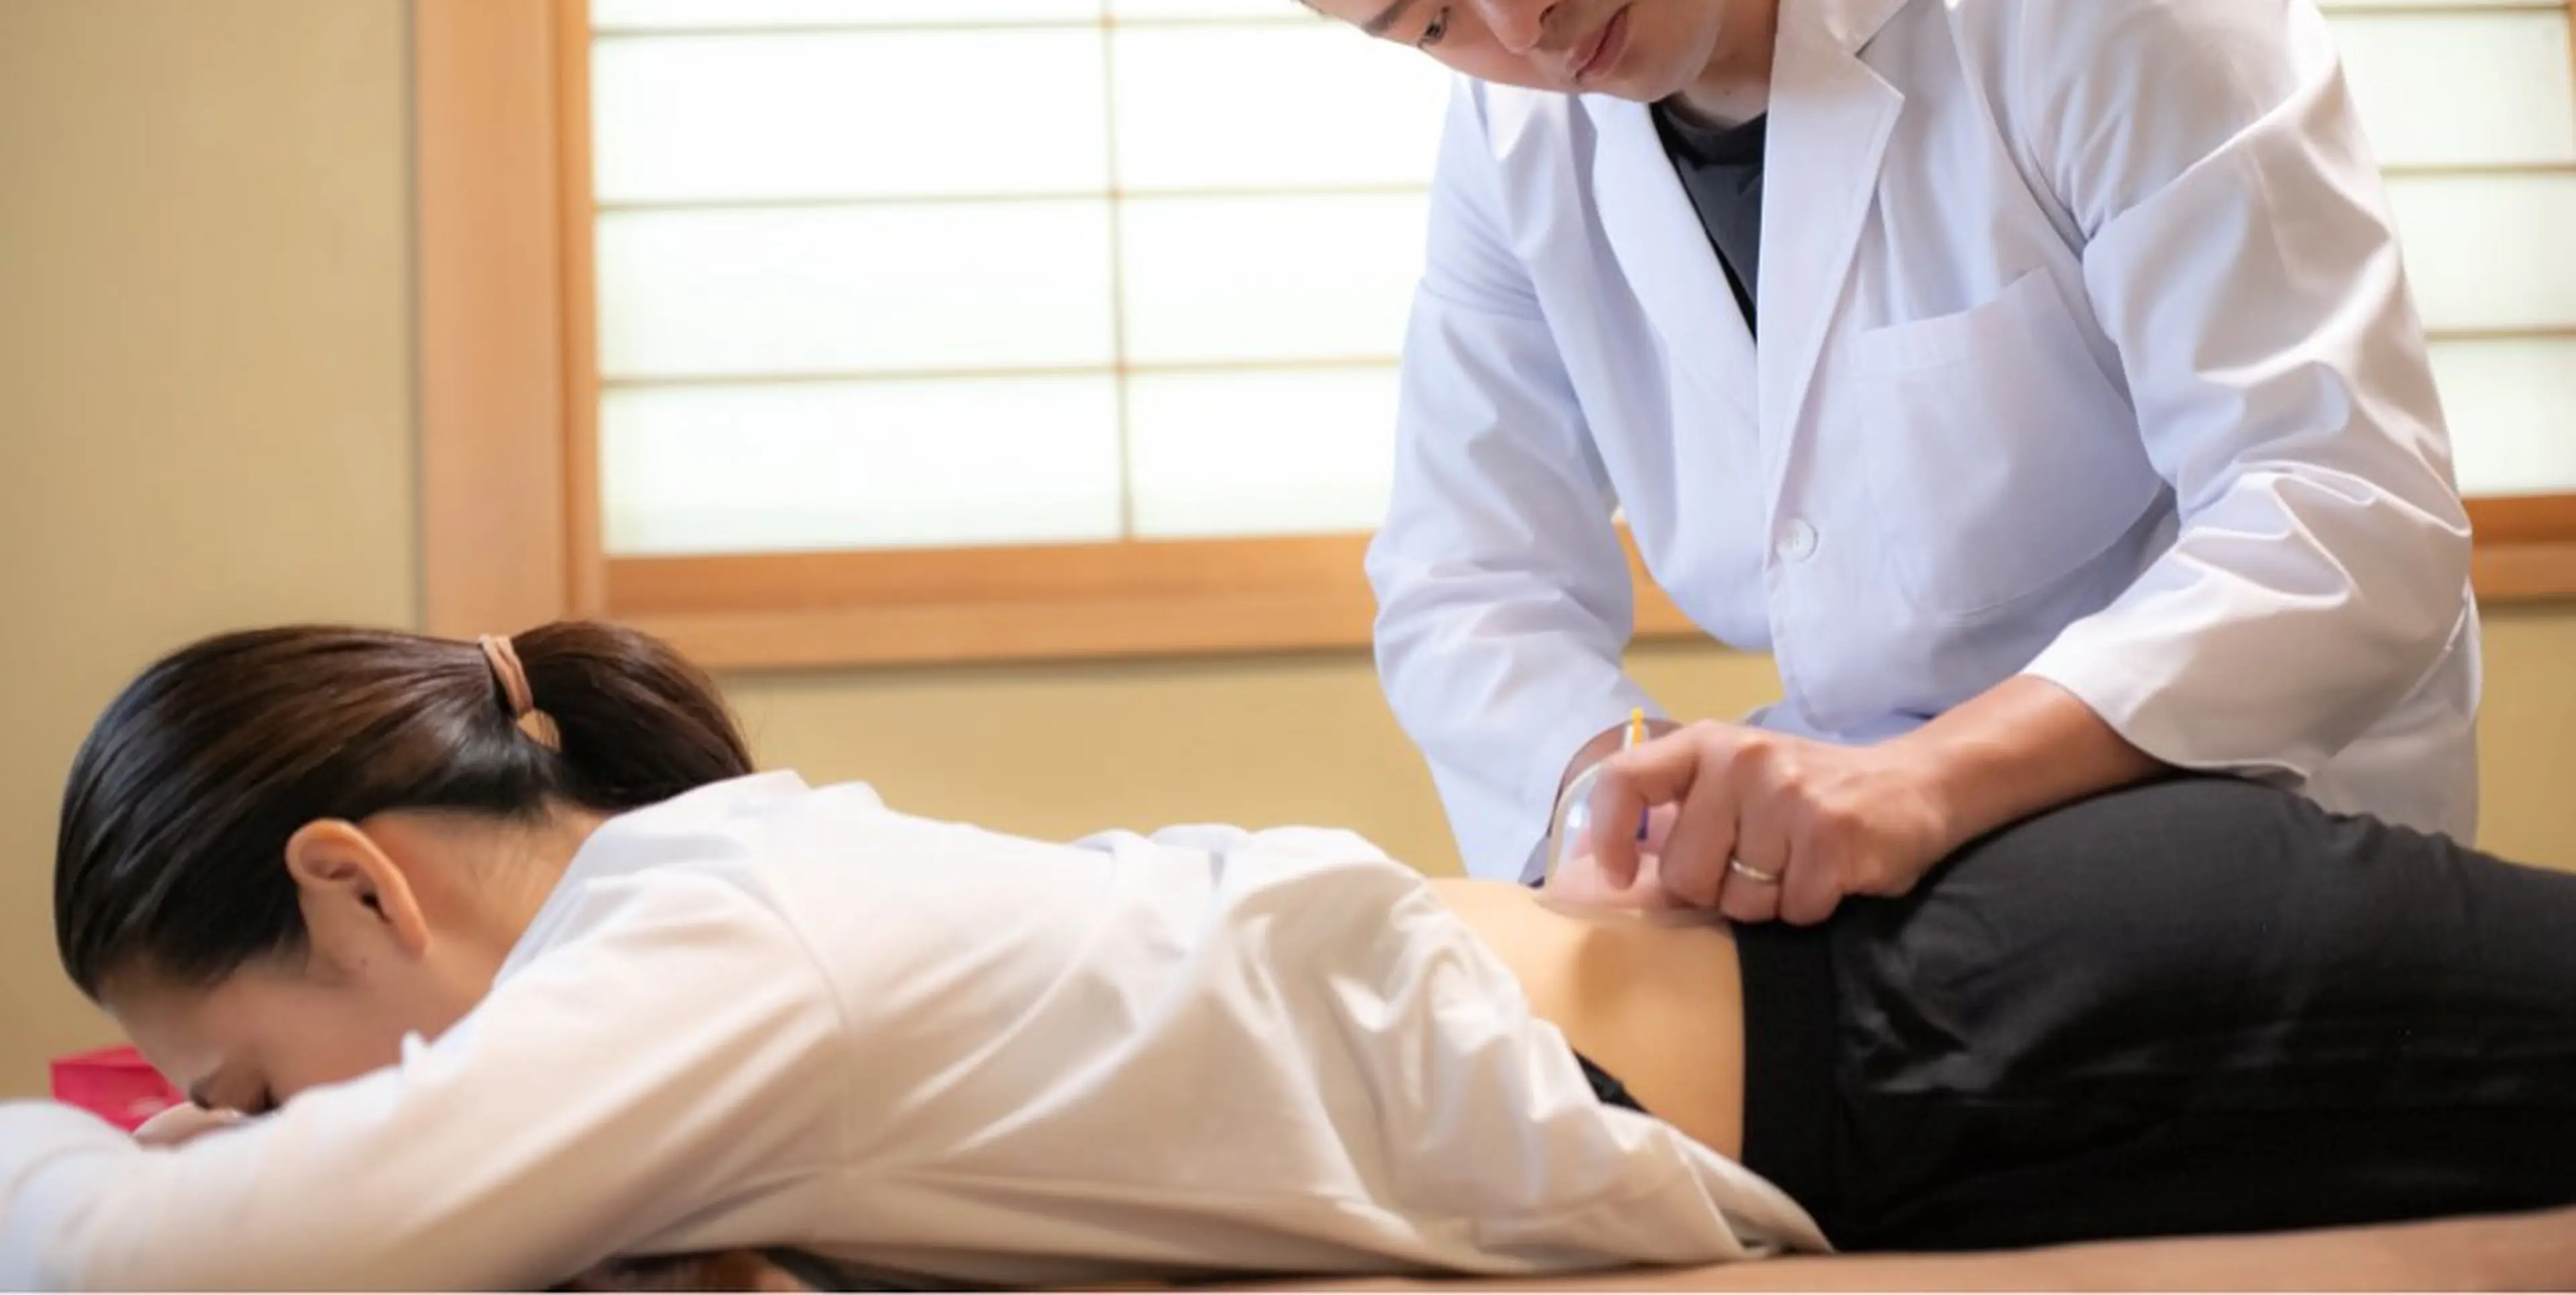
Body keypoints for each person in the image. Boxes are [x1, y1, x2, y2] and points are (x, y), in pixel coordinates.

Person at [1157, 0, 2481, 913]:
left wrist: (1923, 787)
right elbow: (1468, 578)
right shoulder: (1513, 144)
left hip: (2233, 810)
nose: (1523, 28)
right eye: (1431, 24)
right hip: (1876, 868)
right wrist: (1622, 801)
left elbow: (2340, 511)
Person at [3, 622, 2574, 1290]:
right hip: (1924, 1026)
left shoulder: (703, 967)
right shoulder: (707, 921)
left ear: (358, 883)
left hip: (1986, 1008)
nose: (261, 1126)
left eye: (242, 1063)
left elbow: (180, 1256)